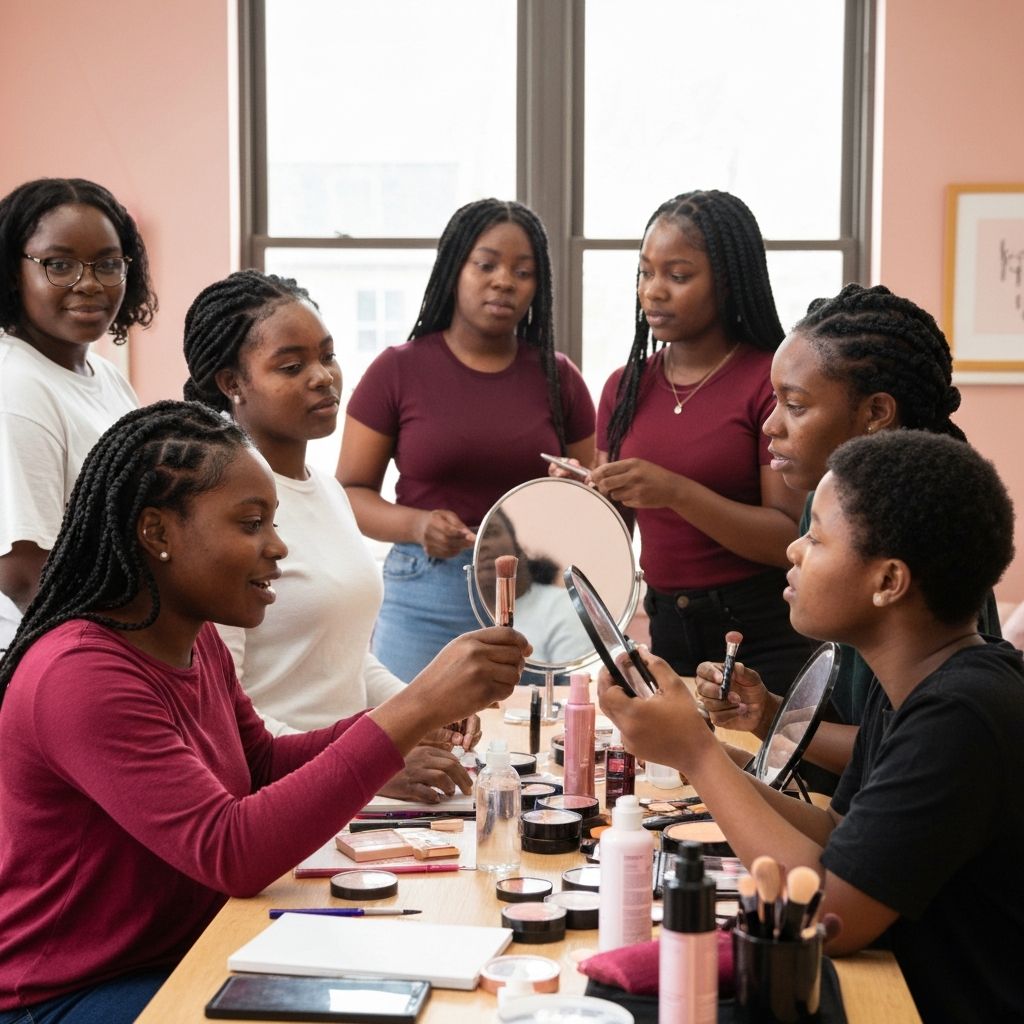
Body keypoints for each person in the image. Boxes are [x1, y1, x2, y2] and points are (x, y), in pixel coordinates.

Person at [0, 401, 526, 1022]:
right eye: (251, 523)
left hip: (182, 949)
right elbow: (233, 853)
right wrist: (411, 708)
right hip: (72, 993)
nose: (278, 547)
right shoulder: (81, 675)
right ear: (157, 532)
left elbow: (259, 761)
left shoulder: (194, 638)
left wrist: (389, 735)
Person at [598, 430, 1024, 1024]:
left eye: (817, 537)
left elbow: (829, 914)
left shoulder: (962, 713)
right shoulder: (911, 683)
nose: (794, 550)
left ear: (887, 582)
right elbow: (835, 833)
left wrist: (697, 755)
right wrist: (697, 750)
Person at [181, 270, 479, 802]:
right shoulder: (219, 512)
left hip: (350, 787)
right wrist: (370, 759)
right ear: (232, 383)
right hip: (280, 795)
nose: (323, 377)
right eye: (292, 366)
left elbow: (341, 657)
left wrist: (424, 710)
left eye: (328, 356)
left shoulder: (329, 492)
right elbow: (219, 712)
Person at [697, 283, 1001, 779]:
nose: (771, 425)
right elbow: (868, 730)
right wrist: (767, 713)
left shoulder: (929, 541)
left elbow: (914, 745)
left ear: (876, 413)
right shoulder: (824, 502)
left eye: (795, 405)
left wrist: (729, 745)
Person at [337, 198, 595, 682]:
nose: (504, 281)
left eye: (523, 271)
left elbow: (589, 505)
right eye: (487, 264)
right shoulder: (397, 370)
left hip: (529, 592)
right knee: (410, 744)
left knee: (532, 748)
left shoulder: (561, 379)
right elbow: (347, 494)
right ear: (454, 268)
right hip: (425, 587)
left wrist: (571, 490)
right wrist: (416, 525)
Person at [589, 190, 814, 693]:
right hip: (668, 623)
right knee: (673, 773)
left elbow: (788, 538)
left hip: (760, 628)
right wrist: (589, 494)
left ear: (728, 281)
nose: (653, 291)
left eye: (678, 275)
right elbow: (611, 534)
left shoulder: (769, 381)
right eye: (645, 273)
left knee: (760, 773)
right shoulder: (623, 389)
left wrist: (675, 492)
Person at [0, 177, 156, 648]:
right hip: (54, 656)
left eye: (108, 264)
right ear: (12, 272)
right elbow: (26, 575)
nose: (88, 284)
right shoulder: (17, 389)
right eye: (59, 265)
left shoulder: (105, 377)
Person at [475, 508, 589, 666]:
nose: (481, 545)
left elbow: (573, 682)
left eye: (490, 532)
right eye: (471, 538)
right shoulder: (451, 618)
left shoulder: (563, 606)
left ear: (517, 547)